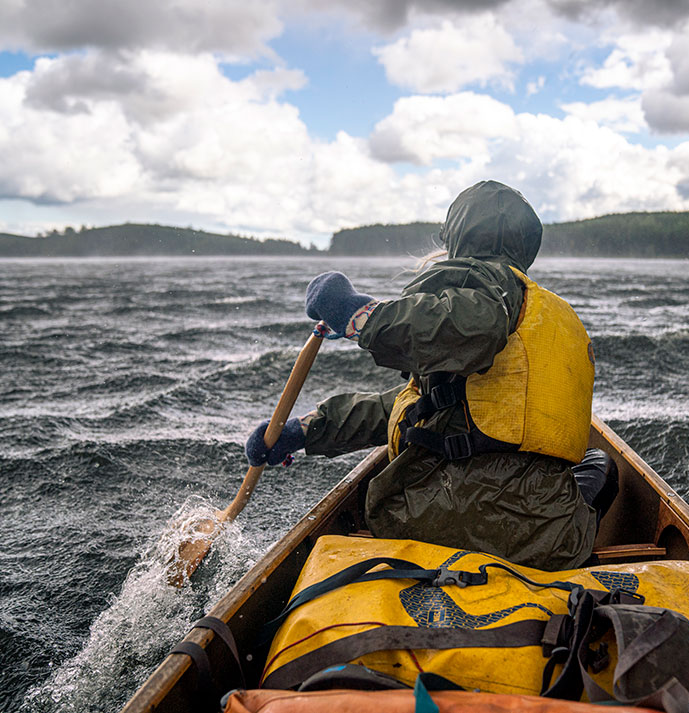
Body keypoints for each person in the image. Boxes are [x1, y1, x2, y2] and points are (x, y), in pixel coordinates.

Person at [246, 180, 616, 571]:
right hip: (546, 542)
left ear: (457, 234)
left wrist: (360, 316)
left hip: (426, 523)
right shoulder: (535, 310)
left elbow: (470, 326)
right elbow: (422, 404)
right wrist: (306, 431)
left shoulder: (486, 288)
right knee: (600, 464)